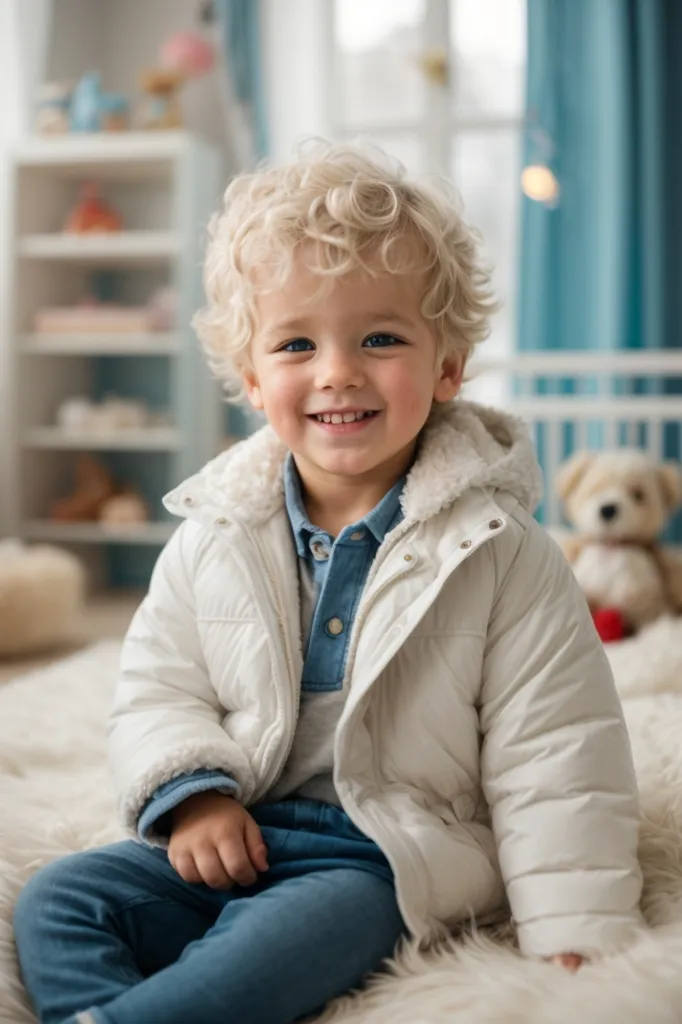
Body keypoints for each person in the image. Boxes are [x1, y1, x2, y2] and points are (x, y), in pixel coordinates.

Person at [13, 143, 644, 1024]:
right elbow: (157, 687)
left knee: (300, 934)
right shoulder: (214, 534)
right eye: (297, 343)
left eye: (380, 338)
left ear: (449, 367)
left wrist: (577, 928)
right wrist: (193, 798)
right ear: (252, 376)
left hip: (382, 857)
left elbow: (559, 750)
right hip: (231, 830)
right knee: (60, 900)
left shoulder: (504, 553)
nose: (337, 370)